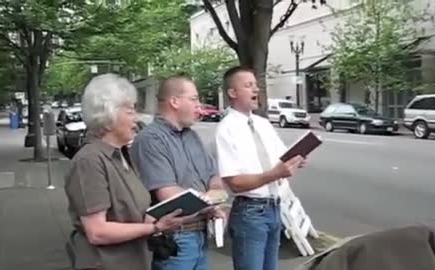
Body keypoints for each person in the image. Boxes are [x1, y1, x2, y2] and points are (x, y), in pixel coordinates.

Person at [64, 74, 189, 270]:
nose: (136, 118)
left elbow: (128, 210)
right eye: (130, 111)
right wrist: (154, 228)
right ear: (107, 116)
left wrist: (153, 216)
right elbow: (97, 232)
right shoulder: (89, 160)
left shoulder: (122, 154)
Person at [130, 75, 227, 270]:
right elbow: (169, 195)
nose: (199, 106)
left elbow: (215, 178)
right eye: (193, 99)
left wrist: (213, 195)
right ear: (174, 102)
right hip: (175, 239)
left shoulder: (192, 137)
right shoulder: (151, 140)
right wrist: (211, 203)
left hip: (200, 236)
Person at [215, 66, 305, 270]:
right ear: (232, 93)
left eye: (256, 85)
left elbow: (282, 159)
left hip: (274, 208)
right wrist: (274, 174)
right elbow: (235, 183)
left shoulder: (263, 124)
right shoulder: (226, 129)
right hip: (250, 212)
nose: (256, 90)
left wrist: (296, 159)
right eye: (248, 85)